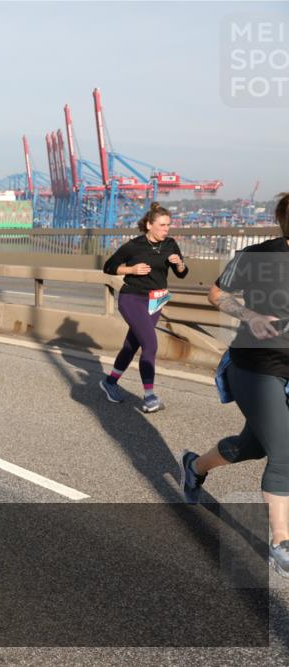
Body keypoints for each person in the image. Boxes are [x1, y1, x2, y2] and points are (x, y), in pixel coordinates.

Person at [180, 192, 289, 577]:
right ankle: (281, 544)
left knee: (252, 447)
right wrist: (250, 314)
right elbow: (217, 293)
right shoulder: (257, 256)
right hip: (257, 367)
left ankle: (194, 467)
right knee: (285, 454)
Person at [99, 202, 188, 412]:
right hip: (132, 299)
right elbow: (109, 267)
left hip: (157, 299)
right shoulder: (134, 245)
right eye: (162, 225)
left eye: (168, 225)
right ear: (149, 225)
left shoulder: (170, 244)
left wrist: (180, 264)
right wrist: (131, 269)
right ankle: (149, 397)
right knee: (150, 344)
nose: (166, 229)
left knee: (132, 345)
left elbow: (182, 273)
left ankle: (109, 382)